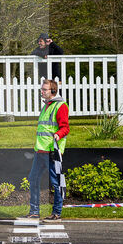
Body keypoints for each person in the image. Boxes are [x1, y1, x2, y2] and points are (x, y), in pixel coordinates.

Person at [26, 78, 70, 221]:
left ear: (52, 91)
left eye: (44, 90)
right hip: (40, 150)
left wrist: (58, 135)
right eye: (42, 89)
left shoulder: (60, 106)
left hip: (52, 151)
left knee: (55, 182)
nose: (42, 91)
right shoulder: (47, 106)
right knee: (33, 179)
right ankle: (34, 211)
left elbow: (65, 127)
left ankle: (57, 212)